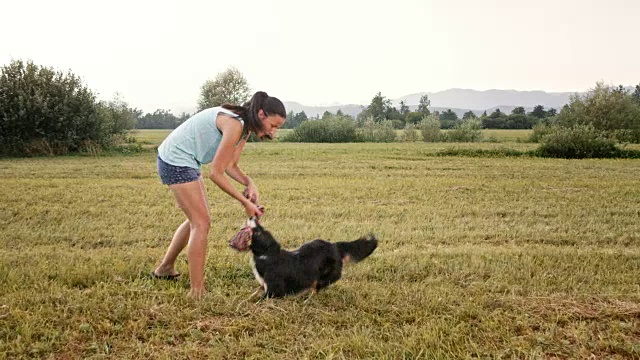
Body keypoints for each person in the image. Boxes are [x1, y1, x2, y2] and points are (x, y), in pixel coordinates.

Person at [152, 91, 286, 299]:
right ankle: (197, 291)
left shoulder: (244, 129)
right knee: (201, 223)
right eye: (274, 125)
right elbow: (216, 173)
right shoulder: (235, 124)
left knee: (196, 220)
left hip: (188, 160)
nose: (274, 131)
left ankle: (165, 268)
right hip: (175, 160)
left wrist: (249, 182)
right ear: (261, 115)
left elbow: (231, 165)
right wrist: (244, 202)